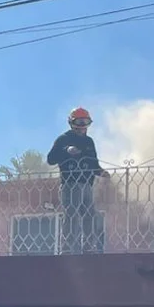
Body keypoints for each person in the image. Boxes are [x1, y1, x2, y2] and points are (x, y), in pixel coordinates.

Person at [46, 106, 110, 255]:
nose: (82, 126)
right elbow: (50, 159)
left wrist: (101, 172)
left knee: (89, 215)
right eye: (79, 121)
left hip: (87, 185)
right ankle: (68, 249)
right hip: (70, 184)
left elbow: (93, 163)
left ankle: (88, 248)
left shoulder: (89, 141)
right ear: (72, 122)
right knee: (72, 215)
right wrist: (66, 150)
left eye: (85, 121)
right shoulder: (63, 139)